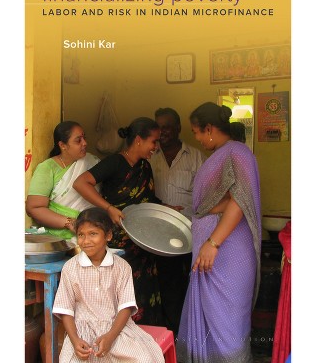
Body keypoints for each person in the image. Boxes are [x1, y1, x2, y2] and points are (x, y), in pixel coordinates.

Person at [176, 102, 261, 363]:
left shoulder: (237, 153)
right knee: (211, 316)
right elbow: (224, 200)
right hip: (214, 251)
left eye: (197, 132)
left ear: (210, 128)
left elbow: (240, 201)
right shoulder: (223, 154)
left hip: (227, 251)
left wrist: (212, 242)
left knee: (227, 321)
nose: (197, 139)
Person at [73, 117, 164, 326]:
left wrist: (165, 208)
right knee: (120, 293)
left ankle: (145, 336)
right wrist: (108, 208)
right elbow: (81, 183)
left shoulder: (145, 167)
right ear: (139, 140)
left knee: (143, 291)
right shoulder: (114, 162)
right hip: (119, 243)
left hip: (143, 242)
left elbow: (146, 200)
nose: (156, 147)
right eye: (153, 141)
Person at [52, 207, 165, 363]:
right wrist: (75, 340)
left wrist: (111, 336)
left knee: (144, 359)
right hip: (81, 334)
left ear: (108, 235)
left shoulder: (121, 267)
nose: (86, 241)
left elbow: (126, 307)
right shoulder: (70, 268)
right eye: (81, 235)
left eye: (93, 234)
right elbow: (65, 309)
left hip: (116, 330)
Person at [149, 107, 206, 334]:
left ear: (178, 128)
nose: (162, 132)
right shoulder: (150, 154)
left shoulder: (195, 156)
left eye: (167, 127)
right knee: (164, 283)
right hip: (157, 233)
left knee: (188, 282)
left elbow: (205, 195)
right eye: (159, 127)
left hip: (190, 231)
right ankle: (169, 331)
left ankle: (189, 330)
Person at [26, 121, 100, 240]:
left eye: (84, 138)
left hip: (92, 232)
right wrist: (70, 223)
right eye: (78, 140)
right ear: (62, 145)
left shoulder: (92, 162)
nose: (85, 143)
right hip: (58, 239)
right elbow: (34, 208)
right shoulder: (48, 168)